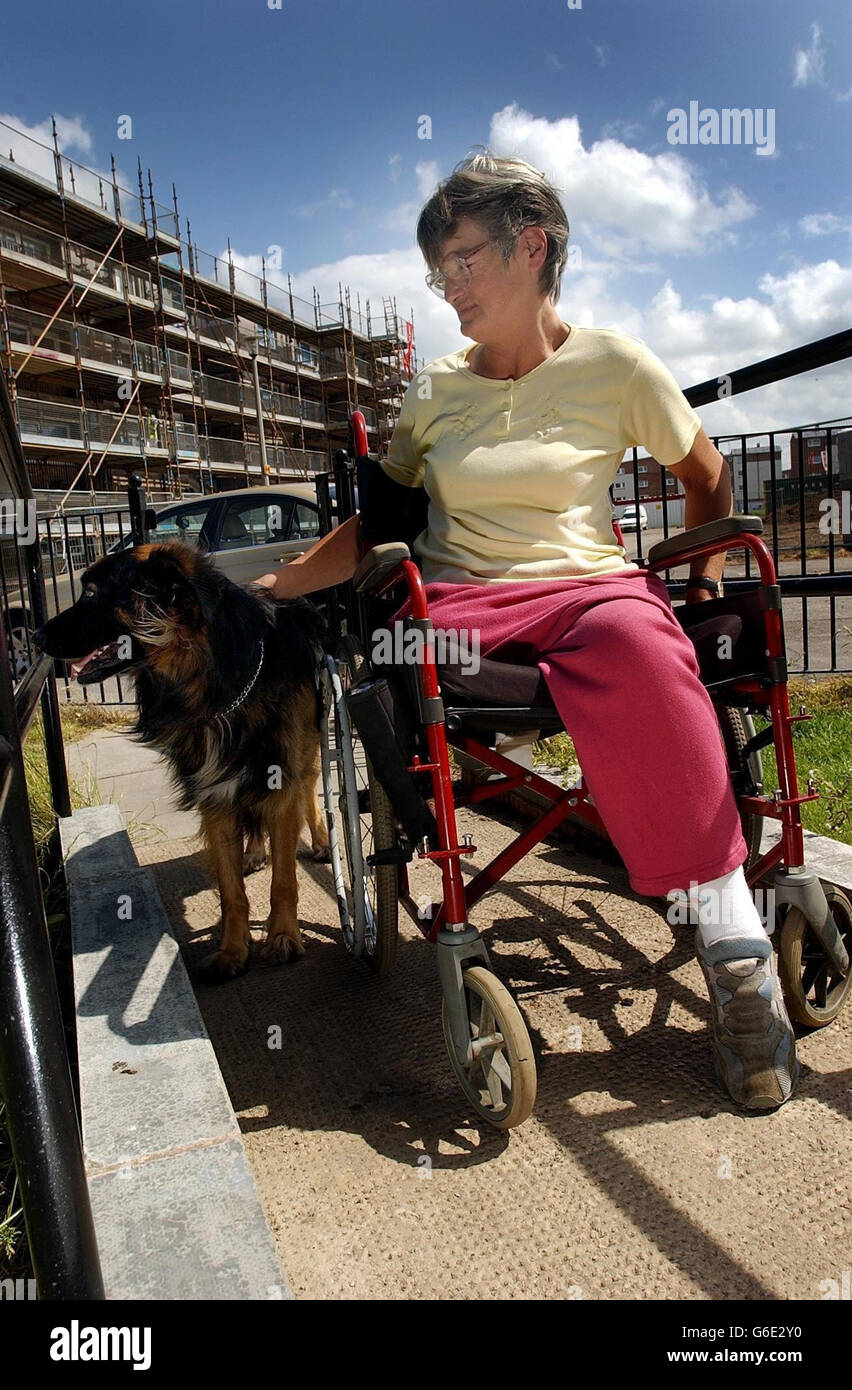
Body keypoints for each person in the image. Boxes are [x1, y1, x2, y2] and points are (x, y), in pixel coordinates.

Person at [257, 151, 797, 1112]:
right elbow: (380, 527)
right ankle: (441, 847)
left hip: (588, 590)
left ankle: (733, 945)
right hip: (464, 605)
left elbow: (708, 476)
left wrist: (704, 579)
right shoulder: (433, 394)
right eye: (439, 268)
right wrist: (284, 581)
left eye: (462, 260)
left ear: (533, 246)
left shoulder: (615, 366)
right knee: (402, 657)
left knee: (643, 644)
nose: (447, 285)